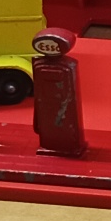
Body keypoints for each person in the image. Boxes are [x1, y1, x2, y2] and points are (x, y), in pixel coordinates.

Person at [30, 27, 86, 158]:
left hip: (62, 106)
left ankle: (65, 145)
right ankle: (52, 145)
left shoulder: (67, 66)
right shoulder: (41, 64)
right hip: (51, 104)